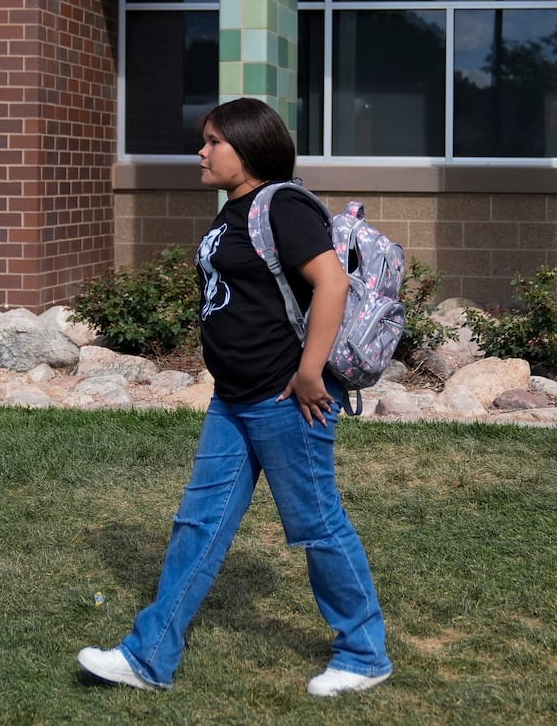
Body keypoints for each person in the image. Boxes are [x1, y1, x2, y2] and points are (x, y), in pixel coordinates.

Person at [77, 97, 392, 698]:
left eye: (213, 140)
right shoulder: (232, 211)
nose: (201, 150)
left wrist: (309, 373)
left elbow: (332, 281)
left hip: (285, 399)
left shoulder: (283, 205)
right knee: (198, 523)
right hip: (234, 398)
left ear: (248, 147)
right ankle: (148, 658)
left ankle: (364, 654)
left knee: (317, 525)